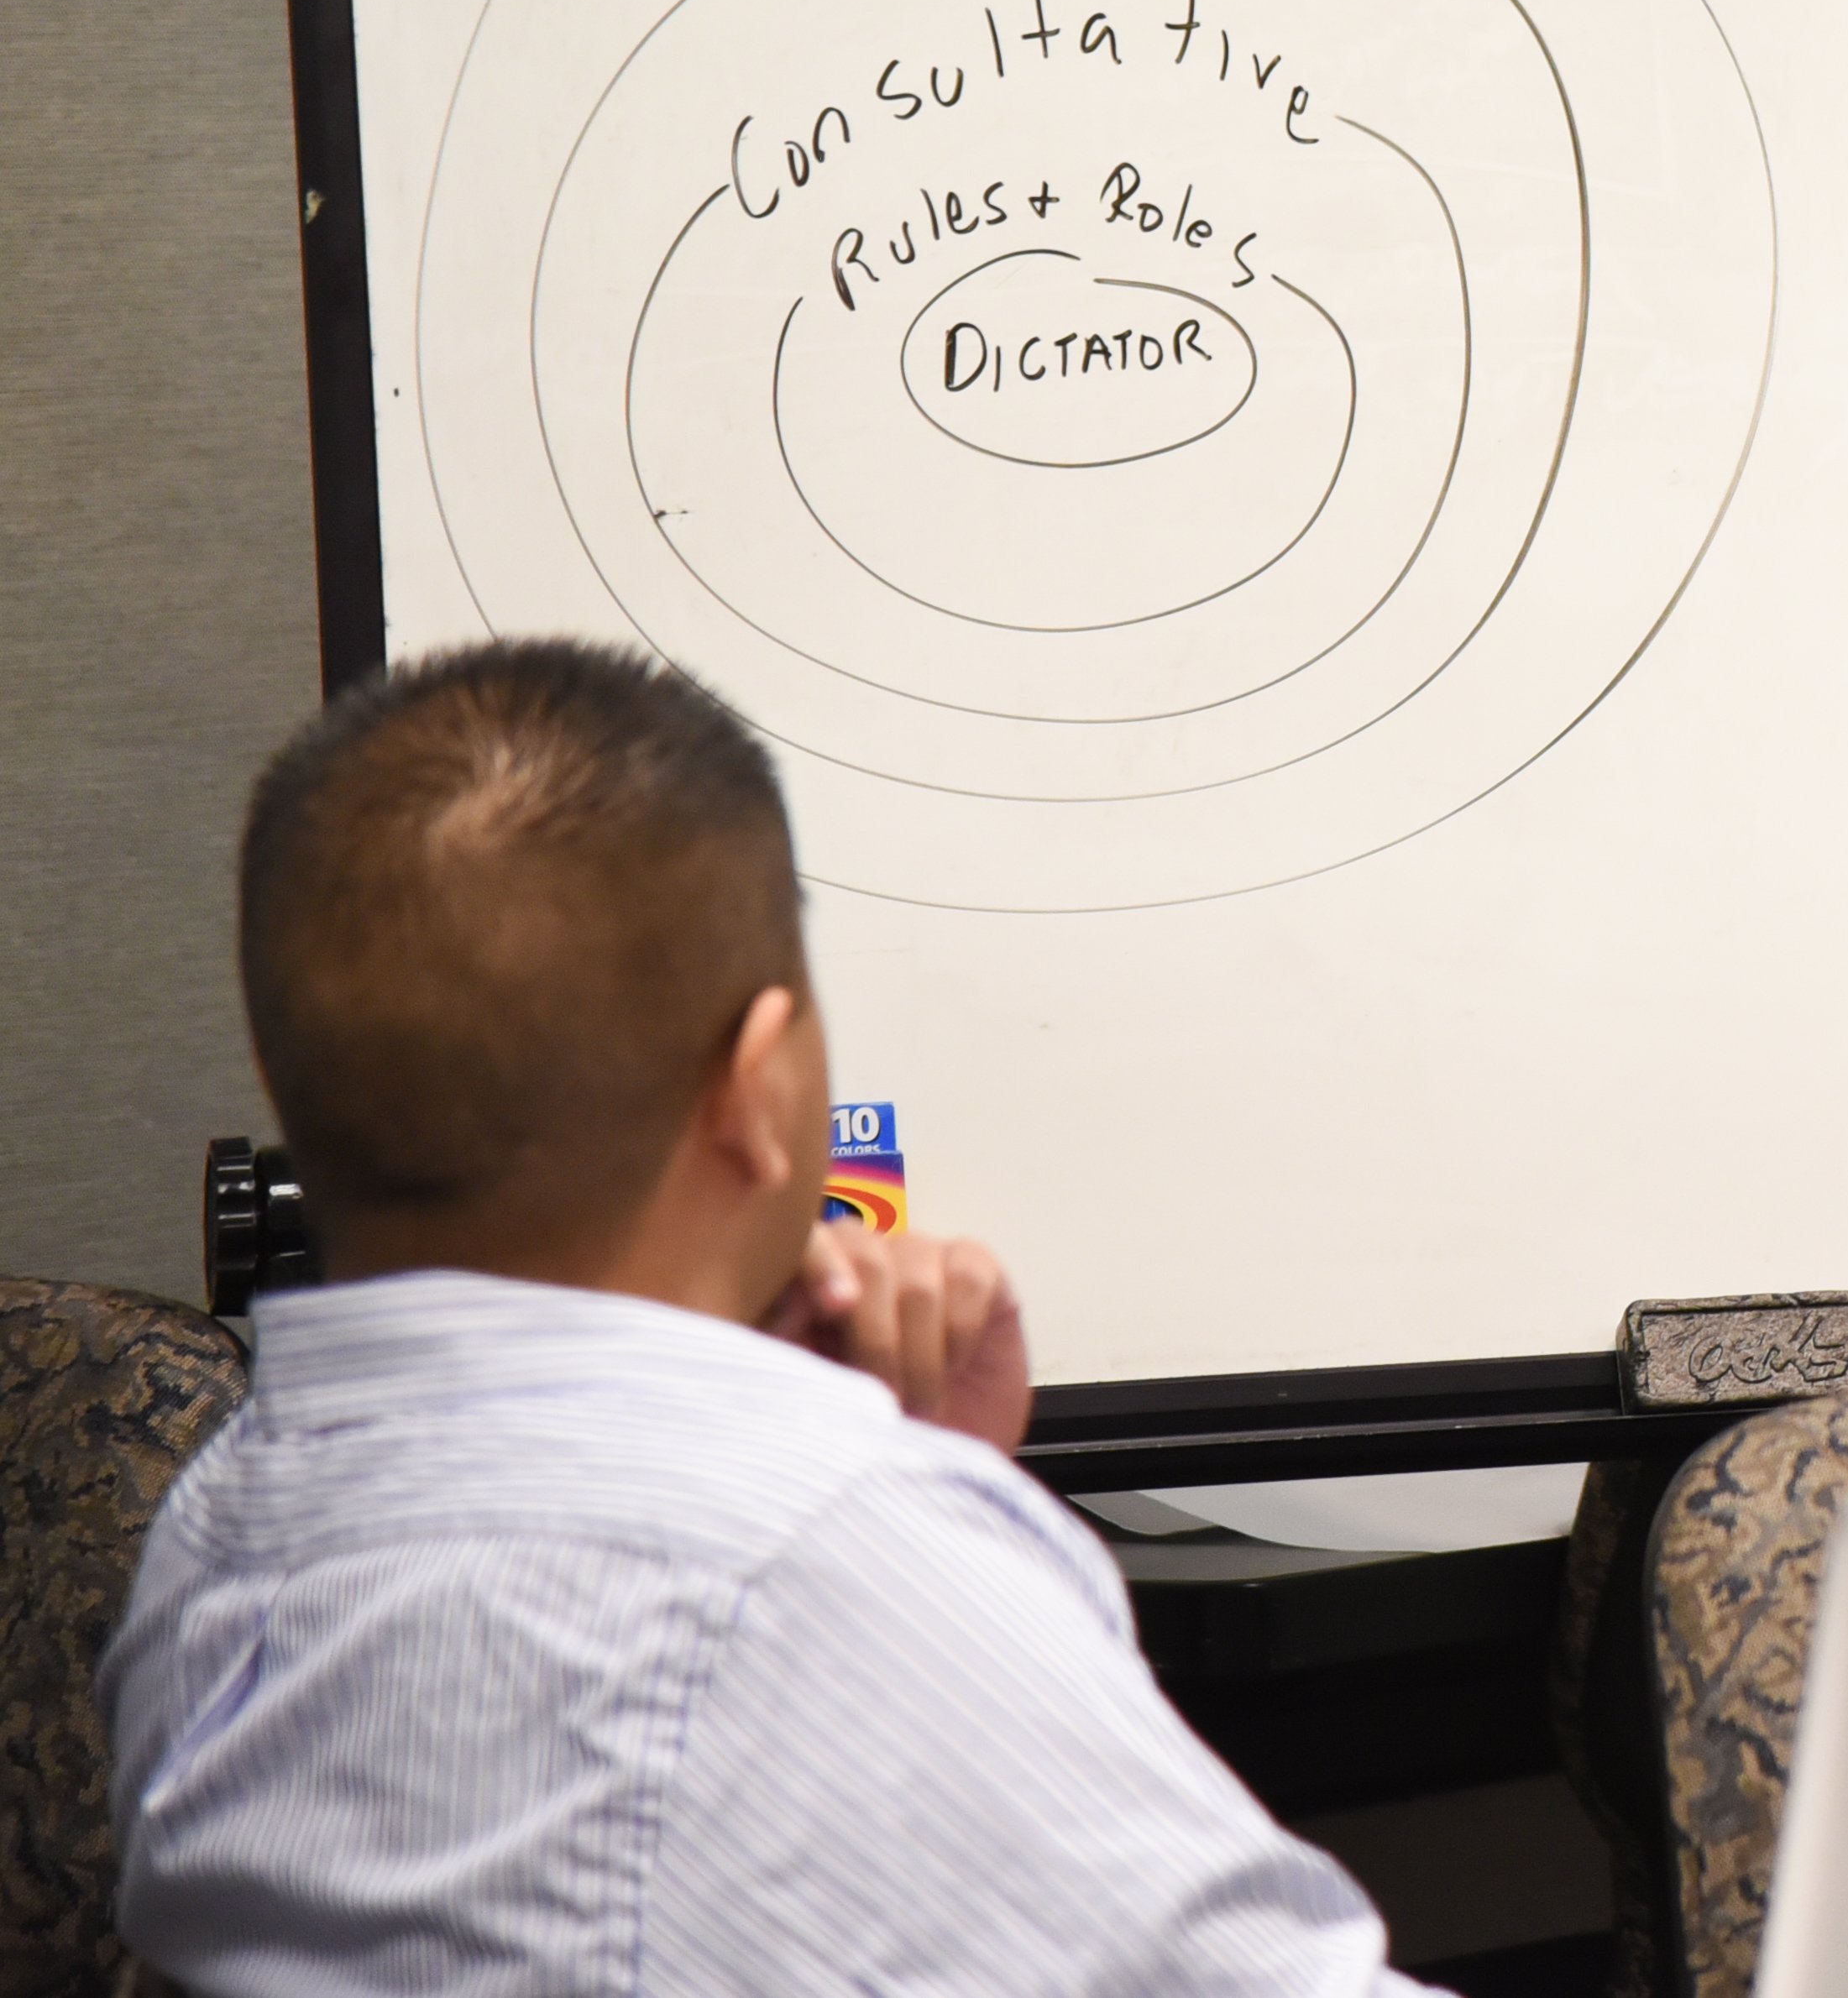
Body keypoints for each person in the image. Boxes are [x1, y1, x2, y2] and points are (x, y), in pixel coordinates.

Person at [103, 637, 1437, 1996]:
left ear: (286, 1072)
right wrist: (909, 1523)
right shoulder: (818, 1557)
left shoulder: (203, 1536)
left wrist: (907, 1471)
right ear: (757, 1085)